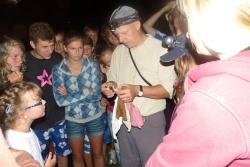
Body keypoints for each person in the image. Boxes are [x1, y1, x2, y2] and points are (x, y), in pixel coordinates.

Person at [146, 0, 250, 166]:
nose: (187, 32)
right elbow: (148, 28)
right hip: (181, 97)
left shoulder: (211, 100)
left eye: (190, 18)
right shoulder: (172, 42)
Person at [101, 5, 176, 167]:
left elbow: (169, 90)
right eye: (117, 34)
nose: (120, 39)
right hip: (123, 119)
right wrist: (110, 86)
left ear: (137, 25)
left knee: (151, 163)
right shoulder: (119, 51)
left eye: (124, 33)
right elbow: (113, 78)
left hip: (150, 121)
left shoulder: (160, 49)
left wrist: (138, 90)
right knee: (128, 163)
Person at [52, 30, 105, 167]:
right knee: (77, 156)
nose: (78, 52)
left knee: (98, 154)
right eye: (73, 48)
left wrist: (69, 94)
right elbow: (59, 101)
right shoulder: (58, 69)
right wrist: (86, 91)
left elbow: (96, 96)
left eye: (80, 48)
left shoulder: (92, 65)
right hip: (73, 119)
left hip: (94, 116)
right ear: (65, 48)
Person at [24, 22, 71, 167]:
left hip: (59, 118)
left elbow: (69, 83)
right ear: (33, 44)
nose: (50, 50)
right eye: (45, 46)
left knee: (63, 154)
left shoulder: (58, 58)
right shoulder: (24, 62)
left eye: (52, 45)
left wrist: (67, 89)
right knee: (39, 158)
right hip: (38, 123)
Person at [0, 81, 56, 167]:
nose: (44, 101)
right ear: (22, 114)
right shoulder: (16, 143)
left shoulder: (26, 130)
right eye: (39, 101)